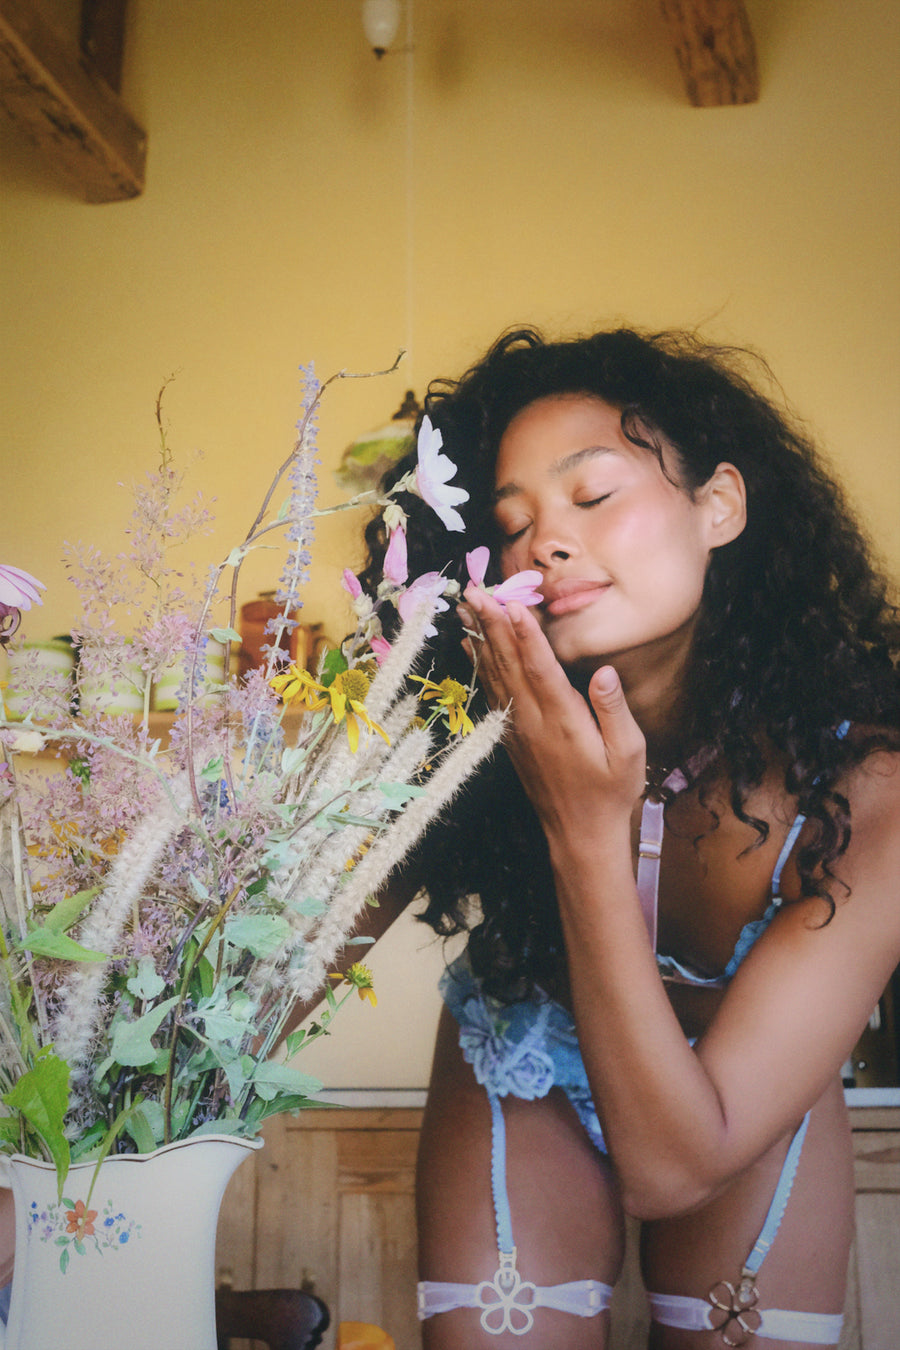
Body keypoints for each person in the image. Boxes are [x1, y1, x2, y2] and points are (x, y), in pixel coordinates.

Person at [354, 326, 900, 1348]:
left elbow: (673, 1167)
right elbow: (259, 980)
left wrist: (584, 829)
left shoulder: (868, 789)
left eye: (592, 497)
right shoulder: (464, 748)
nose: (543, 544)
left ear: (720, 507)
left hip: (737, 1109)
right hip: (527, 1065)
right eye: (511, 527)